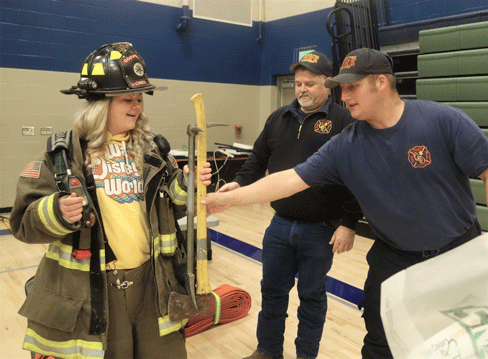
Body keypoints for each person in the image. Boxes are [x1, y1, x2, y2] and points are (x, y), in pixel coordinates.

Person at [202, 48, 488, 359]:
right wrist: (228, 199)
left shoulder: (443, 121)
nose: (345, 95)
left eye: (353, 86)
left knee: (462, 343)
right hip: (393, 257)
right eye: (343, 87)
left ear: (381, 82)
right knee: (380, 342)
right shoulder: (346, 144)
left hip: (456, 254)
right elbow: (288, 180)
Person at [9, 42, 212, 359]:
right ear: (100, 104)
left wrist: (190, 184)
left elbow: (172, 203)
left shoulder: (151, 150)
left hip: (155, 285)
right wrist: (57, 211)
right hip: (97, 292)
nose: (137, 106)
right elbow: (23, 222)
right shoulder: (64, 156)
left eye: (140, 98)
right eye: (127, 99)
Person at [218, 50, 363, 359]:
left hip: (321, 228)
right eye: (298, 84)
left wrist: (349, 223)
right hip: (280, 225)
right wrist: (239, 184)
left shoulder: (344, 121)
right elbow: (257, 159)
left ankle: (305, 355)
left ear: (328, 84)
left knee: (311, 297)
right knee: (272, 292)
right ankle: (267, 350)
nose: (302, 90)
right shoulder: (278, 118)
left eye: (309, 83)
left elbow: (356, 175)